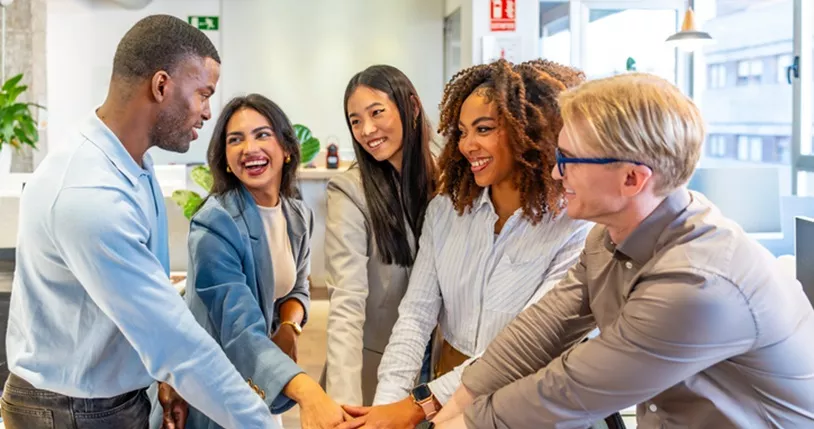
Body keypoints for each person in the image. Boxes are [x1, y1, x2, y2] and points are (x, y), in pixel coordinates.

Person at [432, 73, 814, 429]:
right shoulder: (608, 236)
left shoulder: (698, 282)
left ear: (632, 178)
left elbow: (571, 389)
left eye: (568, 160)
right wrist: (452, 409)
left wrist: (464, 423)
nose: (554, 174)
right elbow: (543, 329)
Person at [1, 14, 277, 429]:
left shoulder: (133, 164)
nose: (207, 113)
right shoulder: (89, 193)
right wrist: (264, 424)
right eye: (203, 94)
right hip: (71, 411)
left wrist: (164, 381)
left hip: (106, 397)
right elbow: (174, 340)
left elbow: (146, 312)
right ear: (161, 85)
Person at [338, 59, 592, 429]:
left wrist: (413, 407)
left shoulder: (574, 228)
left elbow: (528, 348)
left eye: (484, 129)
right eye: (461, 131)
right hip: (446, 394)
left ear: (530, 130)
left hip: (528, 404)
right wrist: (386, 405)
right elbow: (415, 316)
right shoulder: (447, 212)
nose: (467, 145)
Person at [155, 94, 348, 429]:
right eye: (235, 140)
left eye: (262, 134)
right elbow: (240, 330)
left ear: (287, 148)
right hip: (214, 385)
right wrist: (309, 392)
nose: (249, 148)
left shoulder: (298, 216)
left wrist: (289, 326)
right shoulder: (216, 223)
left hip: (263, 376)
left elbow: (297, 288)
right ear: (226, 159)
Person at [322, 64, 438, 407]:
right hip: (380, 365)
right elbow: (346, 301)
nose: (366, 130)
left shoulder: (448, 177)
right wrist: (345, 406)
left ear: (411, 108)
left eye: (376, 113)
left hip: (446, 361)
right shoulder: (350, 191)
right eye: (355, 120)